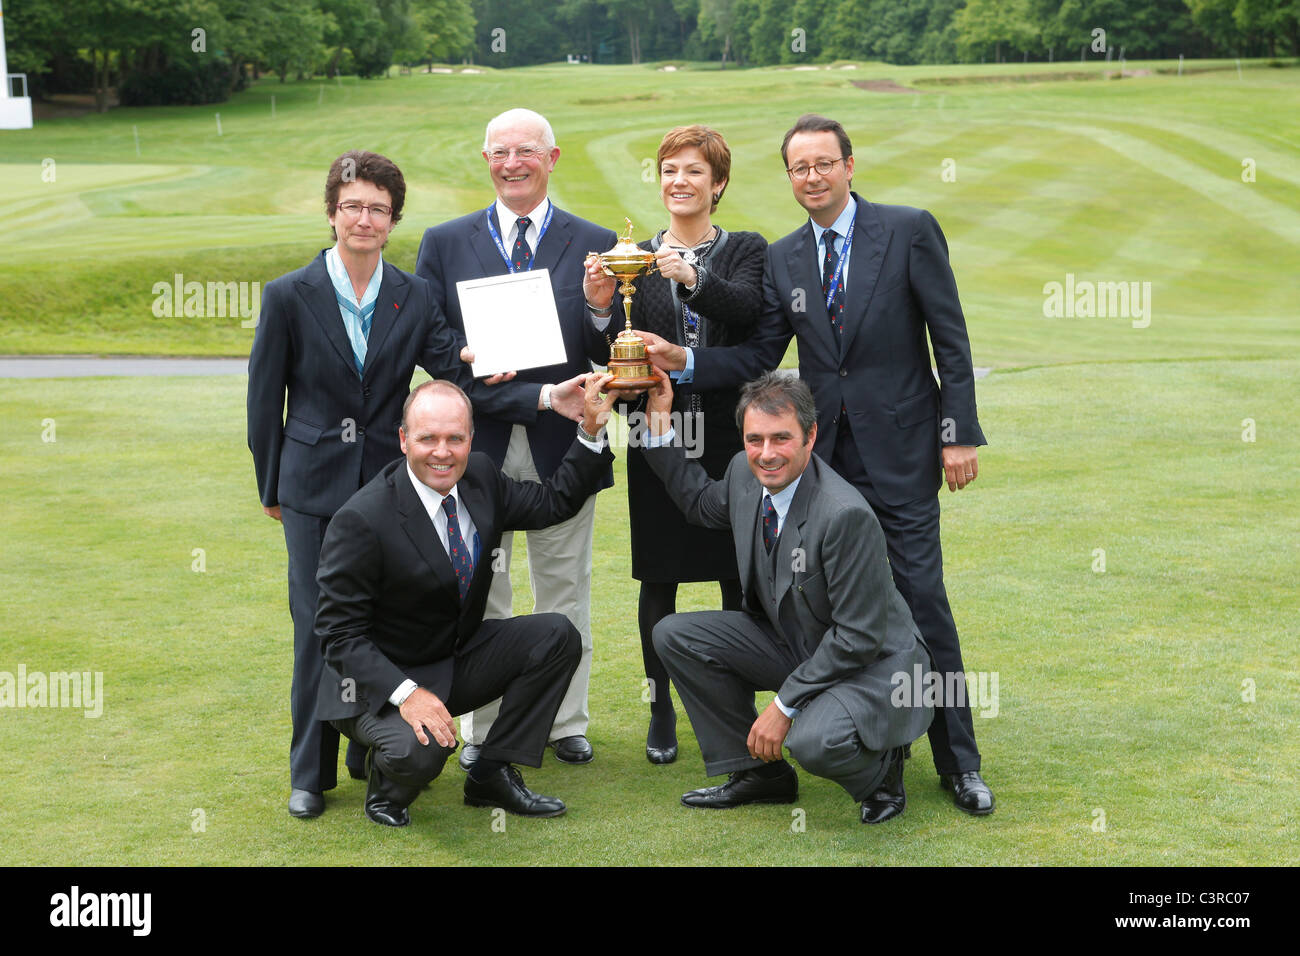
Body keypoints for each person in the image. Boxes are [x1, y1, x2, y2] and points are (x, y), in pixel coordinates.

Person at [639, 114, 994, 816]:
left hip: (900, 453)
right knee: (805, 607)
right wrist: (687, 361)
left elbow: (949, 339)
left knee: (921, 602)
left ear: (849, 166)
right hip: (820, 460)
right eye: (799, 167)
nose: (812, 177)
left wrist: (959, 434)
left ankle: (959, 762)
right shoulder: (786, 257)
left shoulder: (908, 230)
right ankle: (791, 759)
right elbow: (760, 355)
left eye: (823, 164)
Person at [247, 150, 536, 820]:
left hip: (388, 489)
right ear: (332, 214)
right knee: (317, 629)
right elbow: (265, 404)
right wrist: (272, 485)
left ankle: (367, 746)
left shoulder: (413, 293)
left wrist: (484, 357)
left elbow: (449, 362)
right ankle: (310, 774)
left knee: (384, 621)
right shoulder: (289, 295)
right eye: (353, 206)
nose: (365, 219)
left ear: (393, 219)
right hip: (311, 488)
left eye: (379, 208)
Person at [314, 376, 617, 827]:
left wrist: (590, 429)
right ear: (403, 440)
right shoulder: (361, 519)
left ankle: (491, 772)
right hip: (375, 684)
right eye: (428, 438)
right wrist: (409, 695)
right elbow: (338, 636)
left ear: (471, 439)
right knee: (423, 751)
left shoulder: (480, 476)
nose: (443, 452)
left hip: (450, 659)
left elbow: (553, 503)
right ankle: (386, 788)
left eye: (455, 438)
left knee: (556, 635)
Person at [415, 108, 618, 767]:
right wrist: (475, 359)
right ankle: (486, 730)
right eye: (499, 152)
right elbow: (437, 348)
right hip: (478, 446)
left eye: (525, 151)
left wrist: (597, 307)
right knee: (482, 590)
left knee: (565, 584)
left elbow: (608, 349)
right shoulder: (445, 242)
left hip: (565, 441)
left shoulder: (595, 238)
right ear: (485, 161)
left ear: (552, 157)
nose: (512, 163)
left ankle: (565, 723)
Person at [641, 370, 933, 824]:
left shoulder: (843, 516)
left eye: (781, 439)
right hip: (799, 640)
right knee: (676, 635)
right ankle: (759, 774)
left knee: (813, 741)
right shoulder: (743, 473)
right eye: (754, 439)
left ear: (810, 436)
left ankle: (882, 769)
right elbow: (699, 503)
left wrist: (782, 706)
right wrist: (659, 421)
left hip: (875, 665)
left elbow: (858, 638)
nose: (766, 454)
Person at [582, 125, 764, 764]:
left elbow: (747, 319)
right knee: (659, 575)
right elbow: (614, 356)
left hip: (729, 437)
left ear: (717, 183)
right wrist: (602, 311)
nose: (679, 182)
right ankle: (660, 703)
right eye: (668, 171)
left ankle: (735, 703)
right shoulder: (634, 255)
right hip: (656, 433)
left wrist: (692, 278)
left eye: (693, 171)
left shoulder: (744, 250)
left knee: (737, 576)